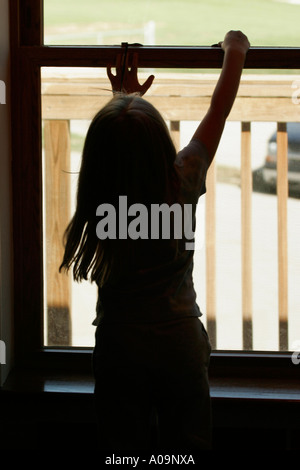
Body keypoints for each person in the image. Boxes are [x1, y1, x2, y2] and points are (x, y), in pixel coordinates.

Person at [59, 30, 250, 451]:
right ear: (163, 147)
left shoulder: (100, 195)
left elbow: (119, 158)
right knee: (188, 446)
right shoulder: (183, 179)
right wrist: (234, 50)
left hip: (120, 343)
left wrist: (121, 104)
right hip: (179, 341)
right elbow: (219, 111)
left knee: (122, 449)